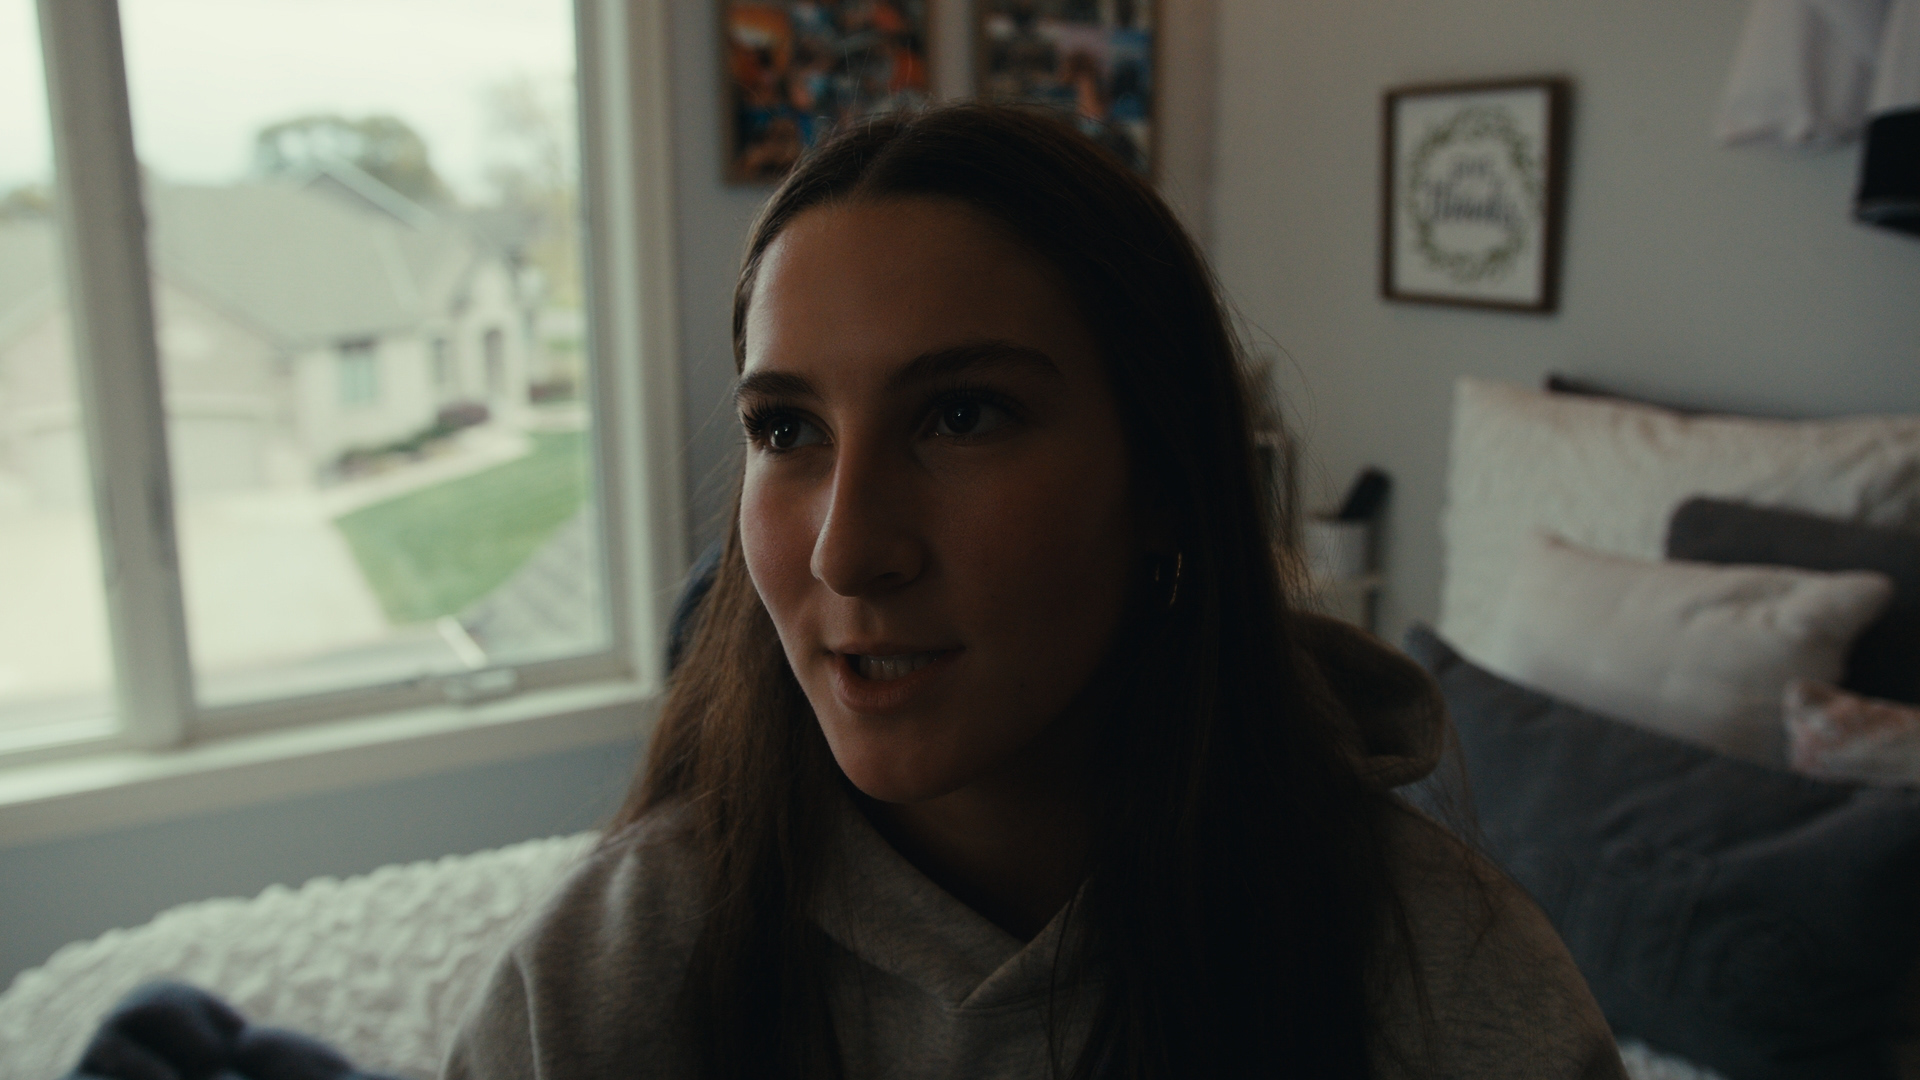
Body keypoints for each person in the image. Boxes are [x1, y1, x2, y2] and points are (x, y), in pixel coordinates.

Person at [442, 104, 1625, 1080]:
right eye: (786, 428)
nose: (846, 552)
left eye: (962, 415)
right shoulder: (589, 996)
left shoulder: (1448, 986)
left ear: (1162, 476)